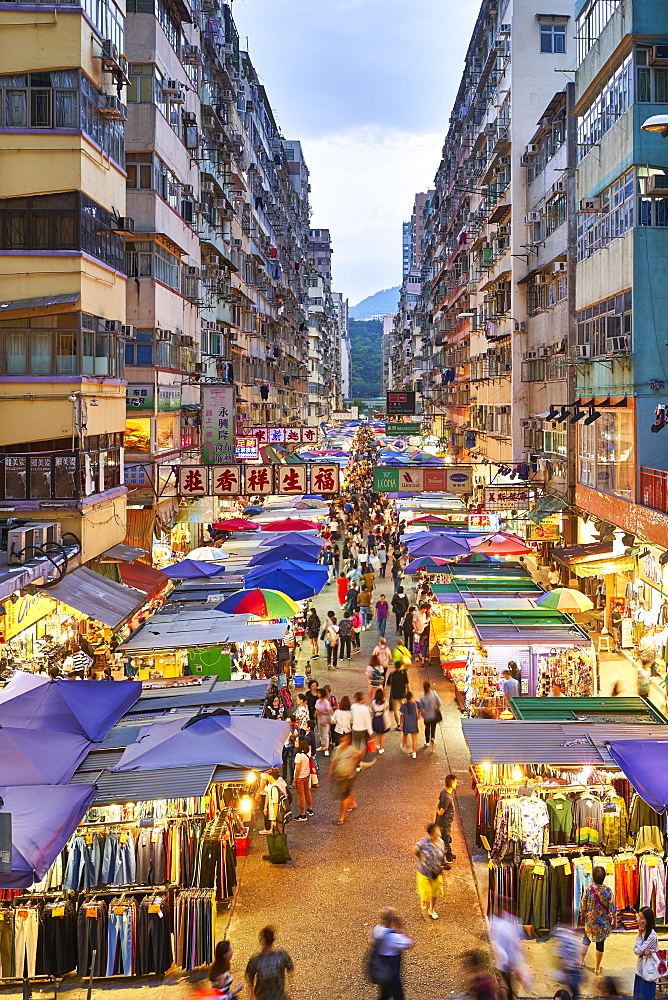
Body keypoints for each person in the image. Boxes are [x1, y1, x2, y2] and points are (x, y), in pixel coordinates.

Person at [328, 732, 375, 825]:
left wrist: (354, 763)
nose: (343, 742)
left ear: (348, 741)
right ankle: (352, 801)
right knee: (346, 792)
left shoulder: (351, 750)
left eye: (345, 740)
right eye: (342, 740)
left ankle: (341, 817)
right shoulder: (338, 749)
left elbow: (360, 754)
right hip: (339, 775)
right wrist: (330, 772)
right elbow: (334, 761)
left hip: (347, 775)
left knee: (343, 797)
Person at [369, 907, 413, 1000]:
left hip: (380, 968)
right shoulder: (393, 937)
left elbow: (371, 943)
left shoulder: (376, 929)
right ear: (392, 920)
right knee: (398, 995)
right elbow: (409, 944)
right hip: (391, 971)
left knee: (385, 993)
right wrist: (400, 927)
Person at [579, 865, 616, 975]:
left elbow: (582, 905)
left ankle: (580, 962)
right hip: (603, 923)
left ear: (593, 877)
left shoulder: (589, 889)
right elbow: (613, 908)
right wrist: (615, 920)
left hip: (590, 921)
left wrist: (582, 916)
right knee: (600, 944)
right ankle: (596, 968)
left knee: (586, 940)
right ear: (604, 877)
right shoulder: (608, 891)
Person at [245, 926, 294, 1000]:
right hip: (280, 997)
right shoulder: (282, 956)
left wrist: (251, 997)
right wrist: (290, 994)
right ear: (273, 939)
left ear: (261, 940)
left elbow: (249, 982)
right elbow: (291, 975)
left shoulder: (255, 961)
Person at [413, 823, 446, 920]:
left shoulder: (441, 842)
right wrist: (421, 858)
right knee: (424, 892)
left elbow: (442, 854)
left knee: (435, 891)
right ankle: (424, 904)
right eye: (437, 831)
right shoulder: (424, 842)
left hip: (436, 872)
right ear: (431, 834)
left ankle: (431, 909)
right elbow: (415, 850)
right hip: (423, 871)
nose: (439, 832)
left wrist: (442, 865)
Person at [633, 907, 659, 1000]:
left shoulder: (651, 935)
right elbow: (635, 950)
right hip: (640, 970)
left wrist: (639, 935)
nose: (640, 920)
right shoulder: (643, 931)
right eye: (639, 917)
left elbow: (638, 951)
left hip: (648, 973)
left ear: (648, 919)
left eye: (642, 918)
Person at [435, 774, 457, 866]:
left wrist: (435, 816)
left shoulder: (443, 792)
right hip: (444, 823)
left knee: (446, 840)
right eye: (455, 782)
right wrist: (437, 812)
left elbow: (438, 803)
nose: (456, 784)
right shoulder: (447, 798)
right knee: (445, 842)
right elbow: (441, 812)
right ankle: (445, 861)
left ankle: (449, 855)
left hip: (442, 822)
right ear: (452, 784)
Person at [293, 738, 313, 821]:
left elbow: (297, 769)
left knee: (301, 796)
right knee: (307, 791)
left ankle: (302, 814)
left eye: (297, 741)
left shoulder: (298, 756)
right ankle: (310, 809)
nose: (295, 742)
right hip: (306, 775)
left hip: (300, 777)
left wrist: (294, 780)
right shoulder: (308, 751)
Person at [418, 680, 441, 750]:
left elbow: (420, 707)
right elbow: (439, 703)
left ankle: (427, 741)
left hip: (426, 716)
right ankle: (433, 738)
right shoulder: (434, 694)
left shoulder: (422, 697)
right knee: (433, 728)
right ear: (430, 686)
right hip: (434, 715)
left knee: (427, 728)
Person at [388, 661, 409, 729]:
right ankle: (404, 723)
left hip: (394, 695)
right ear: (400, 666)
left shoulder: (392, 674)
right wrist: (408, 693)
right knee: (404, 710)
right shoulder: (403, 674)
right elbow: (407, 684)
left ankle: (398, 724)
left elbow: (388, 684)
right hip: (403, 694)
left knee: (396, 711)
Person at [400, 690, 419, 758]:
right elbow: (422, 709)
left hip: (406, 724)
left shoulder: (404, 706)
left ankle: (406, 747)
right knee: (414, 738)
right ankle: (414, 752)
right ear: (411, 697)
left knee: (405, 735)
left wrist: (401, 724)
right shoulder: (415, 704)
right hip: (413, 723)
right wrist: (419, 715)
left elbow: (402, 715)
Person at [370, 688, 390, 753]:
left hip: (375, 718)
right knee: (382, 734)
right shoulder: (385, 702)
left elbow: (372, 710)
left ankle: (375, 746)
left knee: (376, 734)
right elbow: (387, 708)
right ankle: (381, 749)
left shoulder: (373, 702)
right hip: (382, 719)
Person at [315, 687, 333, 755]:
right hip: (319, 720)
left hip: (325, 720)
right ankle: (322, 746)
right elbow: (316, 709)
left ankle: (326, 748)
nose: (317, 694)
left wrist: (321, 712)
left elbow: (329, 712)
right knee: (321, 734)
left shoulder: (326, 702)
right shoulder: (318, 701)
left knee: (326, 735)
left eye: (318, 693)